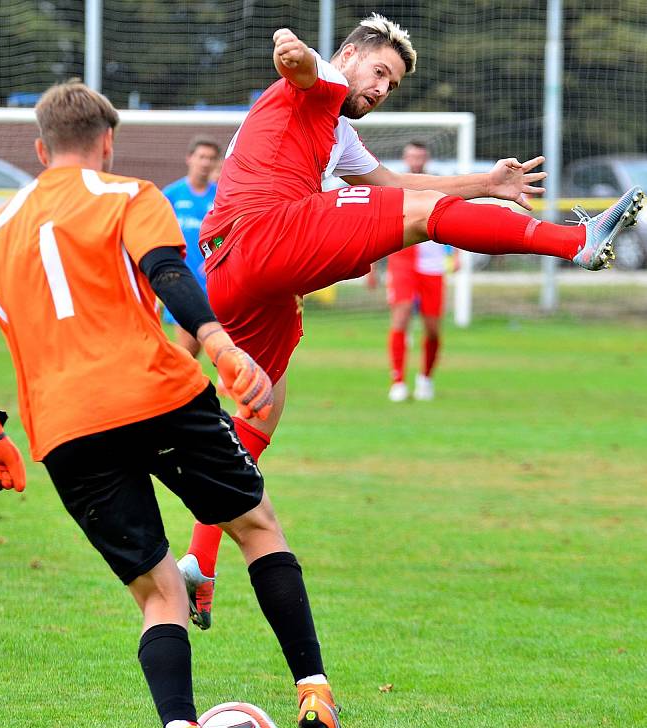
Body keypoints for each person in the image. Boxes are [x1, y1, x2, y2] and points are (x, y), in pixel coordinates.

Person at [179, 13, 644, 632]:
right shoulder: (320, 81)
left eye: (392, 86)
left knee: (261, 413)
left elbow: (396, 182)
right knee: (421, 218)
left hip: (238, 272)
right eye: (379, 72)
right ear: (347, 55)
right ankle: (574, 242)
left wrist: (487, 182)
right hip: (261, 235)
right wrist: (290, 52)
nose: (381, 89)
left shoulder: (336, 131)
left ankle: (198, 563)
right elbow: (299, 69)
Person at [0, 80, 346, 728]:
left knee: (159, 594)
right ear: (107, 143)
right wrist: (219, 344)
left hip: (65, 430)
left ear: (40, 151)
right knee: (254, 526)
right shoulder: (129, 196)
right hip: (158, 393)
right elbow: (167, 271)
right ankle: (313, 690)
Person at [386, 140, 454, 402]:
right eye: (412, 156)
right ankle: (398, 381)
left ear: (426, 158)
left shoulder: (437, 185)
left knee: (433, 328)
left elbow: (452, 219)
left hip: (432, 264)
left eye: (420, 156)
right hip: (402, 260)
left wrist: (456, 253)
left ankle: (425, 378)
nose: (416, 160)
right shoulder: (394, 184)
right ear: (405, 157)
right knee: (401, 317)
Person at [162, 136, 221, 356]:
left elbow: (228, 233)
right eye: (201, 157)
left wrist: (214, 254)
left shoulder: (221, 195)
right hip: (183, 282)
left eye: (211, 158)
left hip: (215, 282)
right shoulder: (171, 195)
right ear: (190, 158)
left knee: (222, 353)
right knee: (188, 351)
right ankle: (180, 389)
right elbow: (159, 234)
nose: (205, 162)